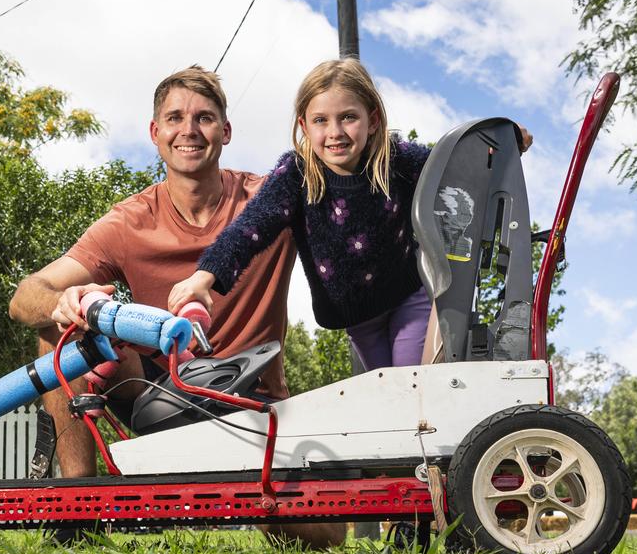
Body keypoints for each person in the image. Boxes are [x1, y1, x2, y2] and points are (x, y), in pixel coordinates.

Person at [8, 65, 345, 549]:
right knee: (55, 329)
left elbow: (346, 184)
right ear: (155, 132)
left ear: (225, 132)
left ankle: (258, 492)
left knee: (321, 536)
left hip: (251, 398)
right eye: (175, 118)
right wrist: (62, 301)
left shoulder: (268, 200)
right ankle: (75, 509)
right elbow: (26, 295)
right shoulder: (130, 221)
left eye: (205, 118)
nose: (189, 130)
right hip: (161, 391)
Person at [168, 59, 530, 370]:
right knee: (381, 396)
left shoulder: (395, 160)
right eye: (321, 120)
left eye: (348, 118)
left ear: (372, 120)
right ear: (305, 125)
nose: (335, 132)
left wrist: (500, 148)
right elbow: (251, 228)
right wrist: (205, 276)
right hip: (356, 318)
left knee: (410, 383)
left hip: (408, 297)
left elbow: (451, 168)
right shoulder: (296, 175)